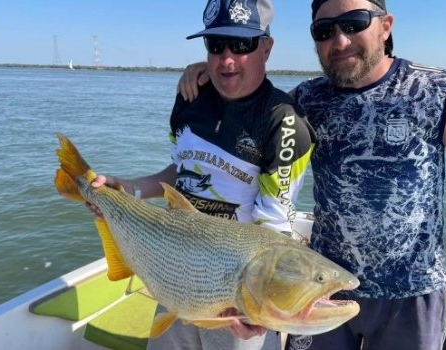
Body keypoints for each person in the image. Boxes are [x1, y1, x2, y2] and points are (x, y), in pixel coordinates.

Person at [176, 0, 446, 349]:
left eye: (354, 23)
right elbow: (248, 100)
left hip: (411, 297)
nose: (340, 40)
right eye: (324, 30)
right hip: (320, 294)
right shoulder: (305, 101)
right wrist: (204, 70)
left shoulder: (435, 91)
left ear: (385, 25)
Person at [89, 0, 316, 349]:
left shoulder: (284, 123)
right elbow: (181, 172)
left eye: (242, 45)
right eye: (216, 44)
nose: (227, 58)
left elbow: (274, 225)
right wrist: (130, 188)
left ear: (267, 48)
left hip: (234, 294)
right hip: (173, 270)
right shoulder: (189, 97)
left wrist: (259, 310)